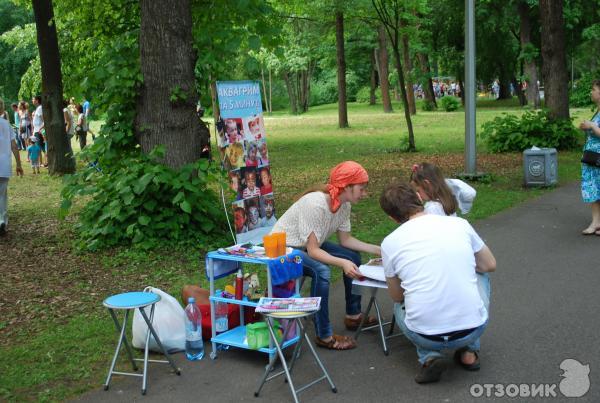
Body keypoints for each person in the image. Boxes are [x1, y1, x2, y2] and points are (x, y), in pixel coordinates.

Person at [379, 183, 496, 384]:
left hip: (425, 335)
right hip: (474, 328)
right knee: (482, 275)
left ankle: (430, 357)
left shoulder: (390, 242)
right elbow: (489, 264)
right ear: (419, 197)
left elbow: (397, 297)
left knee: (403, 305)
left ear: (392, 217)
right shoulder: (459, 225)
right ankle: (469, 351)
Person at [271, 161, 381, 350]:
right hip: (284, 248)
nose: (364, 194)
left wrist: (377, 250)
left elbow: (345, 241)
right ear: (346, 186)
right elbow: (313, 251)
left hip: (308, 245)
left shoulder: (344, 204)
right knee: (321, 271)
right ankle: (324, 334)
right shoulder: (316, 204)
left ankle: (353, 315)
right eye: (361, 189)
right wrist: (342, 263)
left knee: (352, 256)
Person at [409, 162, 476, 216]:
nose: (417, 194)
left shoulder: (432, 208)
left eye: (418, 191)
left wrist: (417, 209)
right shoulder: (446, 200)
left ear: (427, 184)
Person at [0, 97, 24, 236]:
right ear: (2, 109)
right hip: (4, 165)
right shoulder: (6, 125)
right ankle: (2, 220)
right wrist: (19, 164)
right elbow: (14, 146)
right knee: (2, 194)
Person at [580, 79, 600, 235]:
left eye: (593, 89)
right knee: (593, 190)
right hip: (591, 158)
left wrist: (592, 126)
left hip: (598, 158)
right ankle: (596, 222)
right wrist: (586, 127)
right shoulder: (598, 111)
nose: (591, 92)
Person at [31, 96, 45, 166]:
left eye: (33, 99)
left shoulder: (40, 108)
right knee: (40, 147)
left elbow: (43, 120)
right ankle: (41, 162)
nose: (32, 100)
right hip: (36, 130)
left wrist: (41, 129)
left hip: (39, 130)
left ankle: (42, 162)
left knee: (40, 147)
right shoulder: (38, 108)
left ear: (37, 100)